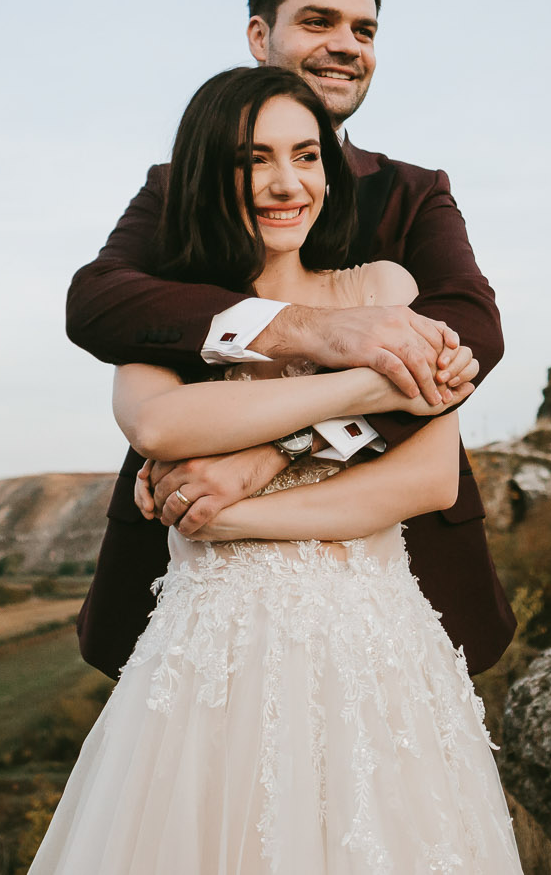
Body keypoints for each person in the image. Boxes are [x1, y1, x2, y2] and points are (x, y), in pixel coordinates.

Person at [31, 67, 523, 872]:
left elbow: (426, 479)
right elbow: (159, 422)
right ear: (205, 175)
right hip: (211, 670)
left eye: (305, 155)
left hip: (376, 655)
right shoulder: (169, 313)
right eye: (252, 160)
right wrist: (376, 377)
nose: (285, 182)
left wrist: (238, 507)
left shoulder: (385, 285)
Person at [65, 0, 514, 683]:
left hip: (388, 579)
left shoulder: (414, 192)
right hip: (197, 584)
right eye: (317, 20)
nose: (344, 45)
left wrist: (278, 453)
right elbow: (101, 300)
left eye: (363, 30)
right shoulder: (176, 189)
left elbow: (469, 333)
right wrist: (312, 329)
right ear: (259, 36)